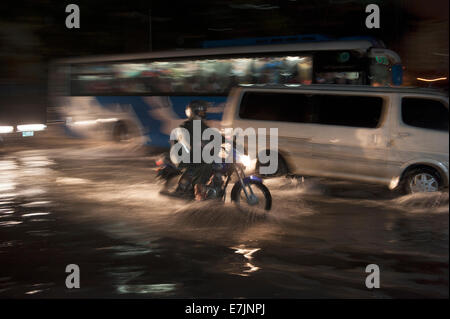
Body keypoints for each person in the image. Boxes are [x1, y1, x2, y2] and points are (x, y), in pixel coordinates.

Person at [172, 100, 214, 200]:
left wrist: (231, 142)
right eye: (200, 112)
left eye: (203, 111)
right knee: (197, 164)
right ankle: (180, 189)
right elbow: (186, 139)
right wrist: (199, 143)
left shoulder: (202, 126)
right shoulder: (184, 126)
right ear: (193, 112)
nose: (202, 114)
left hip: (196, 153)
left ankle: (203, 188)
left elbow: (213, 135)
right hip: (183, 155)